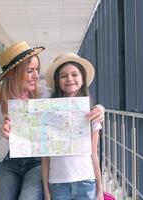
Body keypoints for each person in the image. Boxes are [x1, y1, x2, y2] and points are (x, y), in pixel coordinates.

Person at [0, 41, 105, 200]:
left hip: (37, 162)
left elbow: (72, 100)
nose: (35, 76)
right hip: (7, 163)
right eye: (30, 71)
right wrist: (7, 137)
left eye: (37, 70)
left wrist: (100, 108)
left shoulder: (45, 96)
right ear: (13, 73)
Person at [41, 53, 103, 200]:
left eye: (74, 74)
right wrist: (46, 191)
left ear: (82, 79)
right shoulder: (48, 113)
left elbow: (94, 154)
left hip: (86, 182)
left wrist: (100, 190)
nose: (69, 79)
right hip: (57, 183)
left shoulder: (92, 113)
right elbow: (45, 158)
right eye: (63, 76)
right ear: (57, 81)